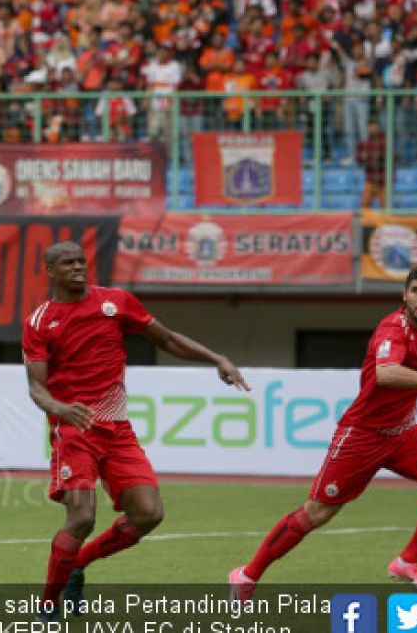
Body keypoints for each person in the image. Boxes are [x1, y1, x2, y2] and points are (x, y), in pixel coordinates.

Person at [22, 241, 250, 619]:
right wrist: (59, 408)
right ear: (50, 271)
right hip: (74, 430)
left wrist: (216, 358)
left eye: (81, 261)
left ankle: (79, 563)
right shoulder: (40, 322)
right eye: (68, 263)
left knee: (148, 513)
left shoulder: (116, 302)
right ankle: (48, 602)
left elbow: (169, 339)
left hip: (117, 429)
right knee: (81, 518)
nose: (78, 267)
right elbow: (36, 386)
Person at [230, 265, 417, 599]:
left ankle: (407, 561)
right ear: (404, 295)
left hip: (403, 432)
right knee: (316, 513)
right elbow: (387, 373)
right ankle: (247, 575)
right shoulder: (392, 329)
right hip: (361, 435)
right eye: (416, 291)